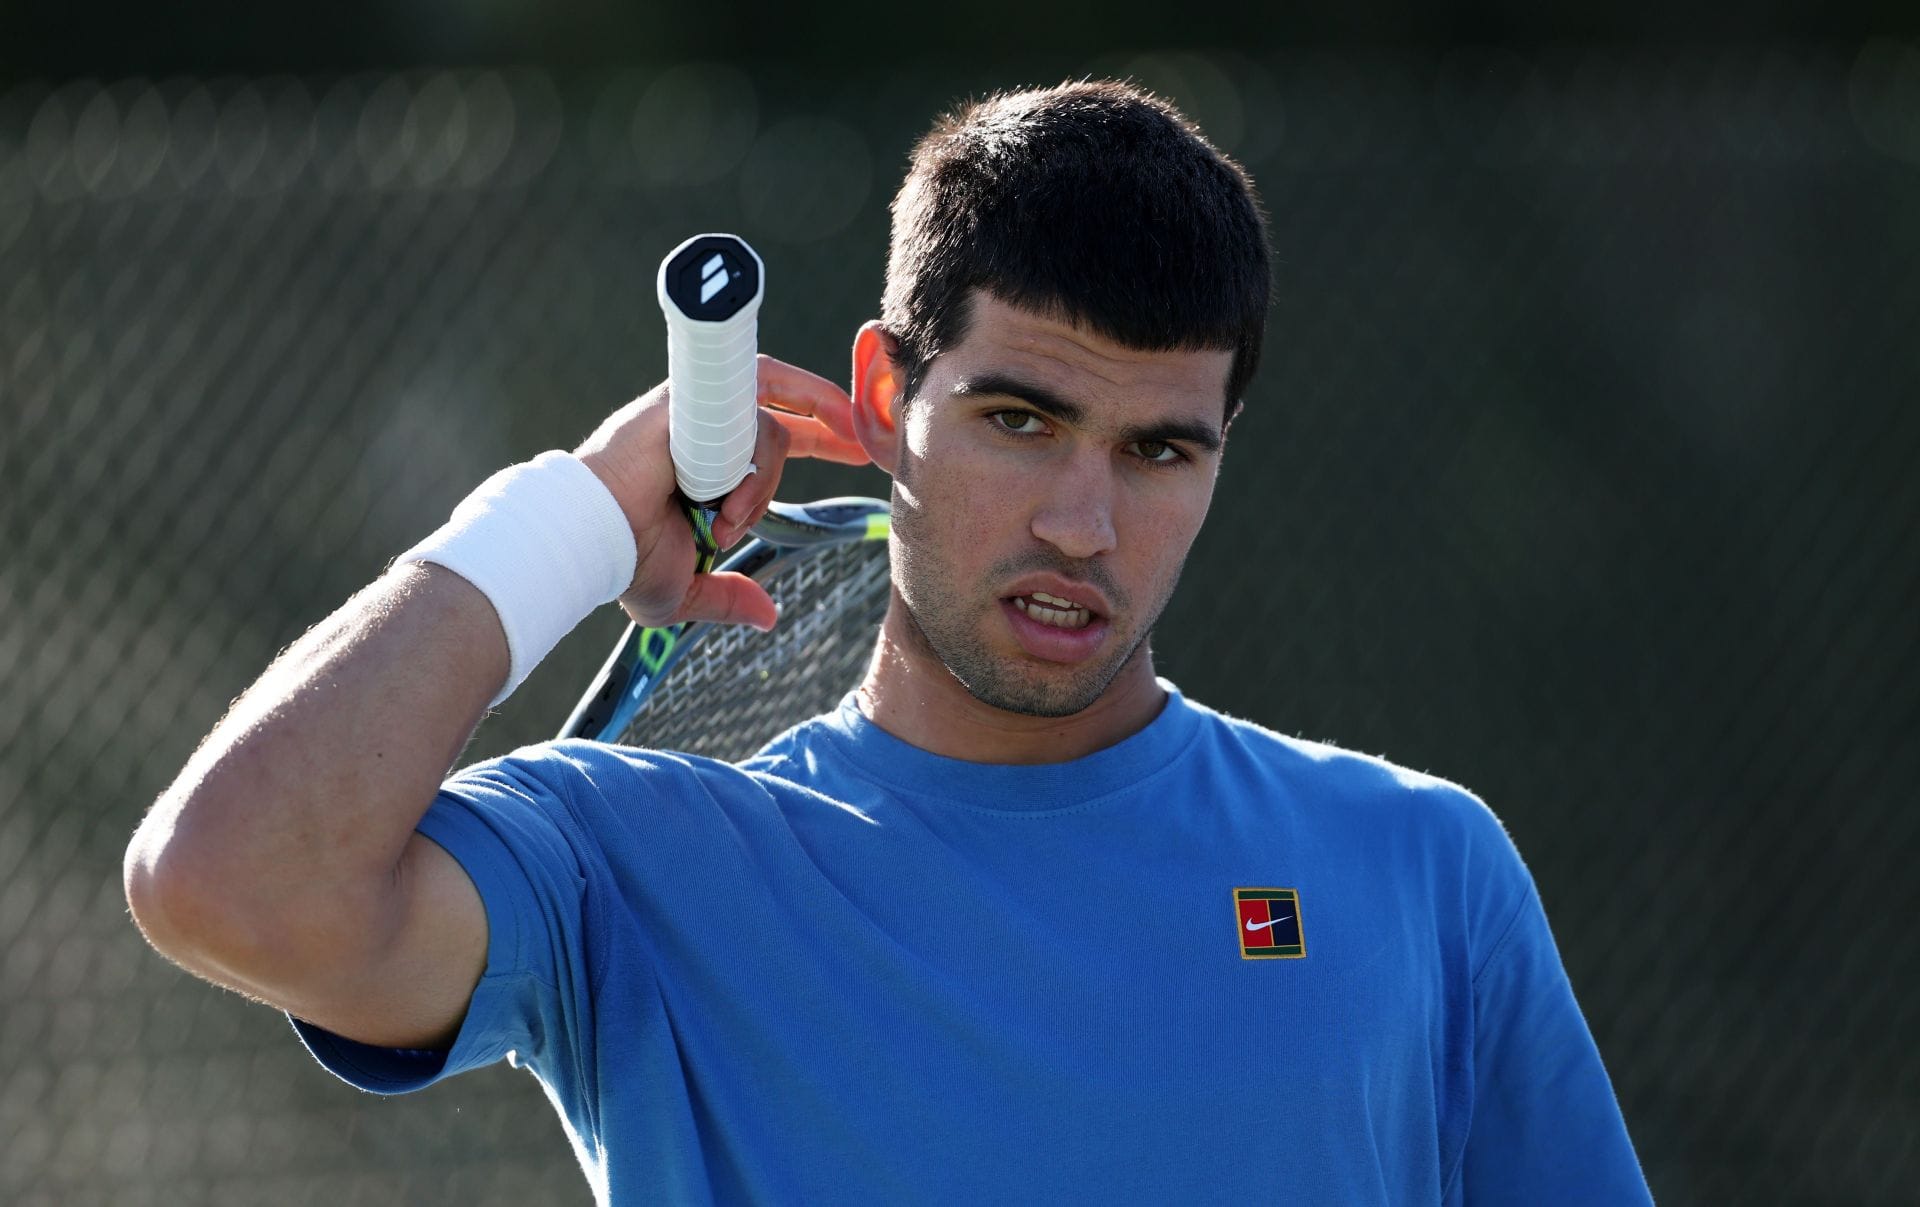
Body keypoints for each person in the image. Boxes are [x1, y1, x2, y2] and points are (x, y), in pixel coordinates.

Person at [124, 81, 1651, 1205]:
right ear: (879, 394)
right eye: (1017, 420)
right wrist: (575, 520)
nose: (1082, 523)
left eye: (1160, 453)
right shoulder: (634, 863)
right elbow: (227, 885)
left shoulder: (1423, 866)